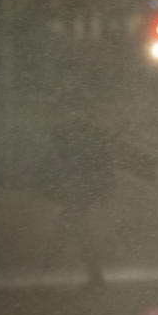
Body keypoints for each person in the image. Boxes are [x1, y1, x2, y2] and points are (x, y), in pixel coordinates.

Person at [36, 112, 115, 286]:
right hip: (80, 194)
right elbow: (103, 170)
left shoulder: (71, 143)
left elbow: (55, 168)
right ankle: (58, 265)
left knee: (73, 229)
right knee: (76, 229)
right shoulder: (88, 142)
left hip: (76, 194)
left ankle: (51, 265)